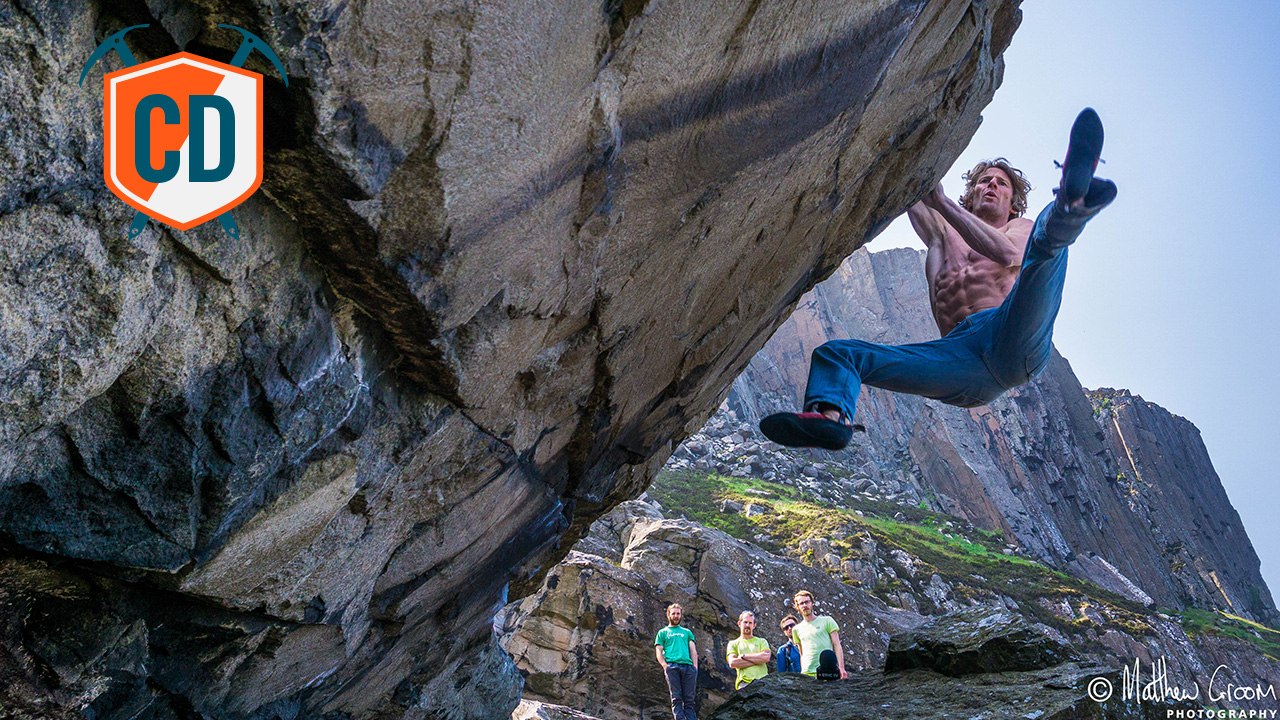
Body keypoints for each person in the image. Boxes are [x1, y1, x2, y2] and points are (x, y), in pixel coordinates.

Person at [759, 109, 1117, 450]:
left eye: (1001, 183)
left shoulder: (1017, 227)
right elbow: (907, 185)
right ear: (971, 193)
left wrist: (945, 204)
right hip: (959, 361)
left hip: (1012, 334)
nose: (991, 184)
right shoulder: (940, 236)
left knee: (1045, 246)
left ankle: (1072, 204)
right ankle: (831, 421)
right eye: (983, 181)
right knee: (837, 354)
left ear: (1013, 202)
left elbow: (1009, 256)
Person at [654, 603, 698, 720]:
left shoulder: (687, 632)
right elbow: (658, 650)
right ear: (668, 615)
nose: (676, 616)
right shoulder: (663, 632)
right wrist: (665, 666)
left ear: (681, 615)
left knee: (689, 699)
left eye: (678, 613)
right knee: (676, 698)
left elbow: (693, 650)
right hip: (672, 666)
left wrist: (695, 667)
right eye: (673, 613)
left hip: (688, 667)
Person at [790, 590, 846, 679]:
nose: (805, 605)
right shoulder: (796, 629)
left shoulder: (827, 621)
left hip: (827, 671)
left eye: (807, 602)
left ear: (812, 603)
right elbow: (802, 653)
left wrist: (841, 668)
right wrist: (802, 671)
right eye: (801, 603)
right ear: (798, 607)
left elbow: (837, 645)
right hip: (807, 673)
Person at [726, 611, 771, 690]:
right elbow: (733, 663)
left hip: (763, 682)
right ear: (739, 623)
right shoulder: (733, 644)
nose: (747, 625)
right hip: (744, 684)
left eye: (750, 623)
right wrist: (758, 660)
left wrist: (744, 656)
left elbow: (766, 657)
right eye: (745, 622)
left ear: (754, 625)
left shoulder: (762, 641)